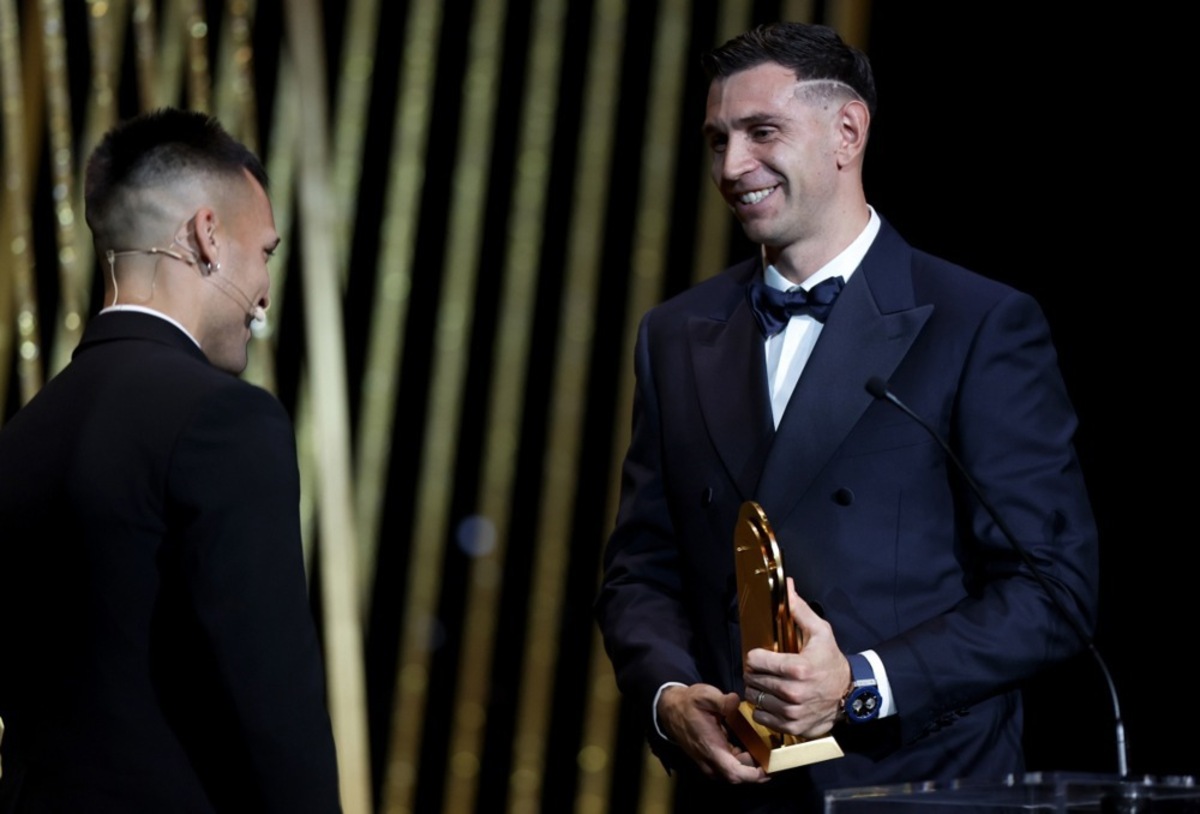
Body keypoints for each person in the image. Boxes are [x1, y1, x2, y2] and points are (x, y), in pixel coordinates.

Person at [595, 22, 1099, 812]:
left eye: (763, 133)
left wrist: (861, 683)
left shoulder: (978, 323)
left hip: (921, 787)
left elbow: (1053, 590)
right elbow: (640, 569)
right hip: (733, 792)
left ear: (847, 132)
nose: (732, 167)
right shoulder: (674, 334)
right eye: (717, 140)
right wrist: (669, 698)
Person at [0, 109, 341, 812]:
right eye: (266, 253)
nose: (266, 291)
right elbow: (274, 709)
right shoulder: (227, 420)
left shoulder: (24, 436)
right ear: (208, 236)